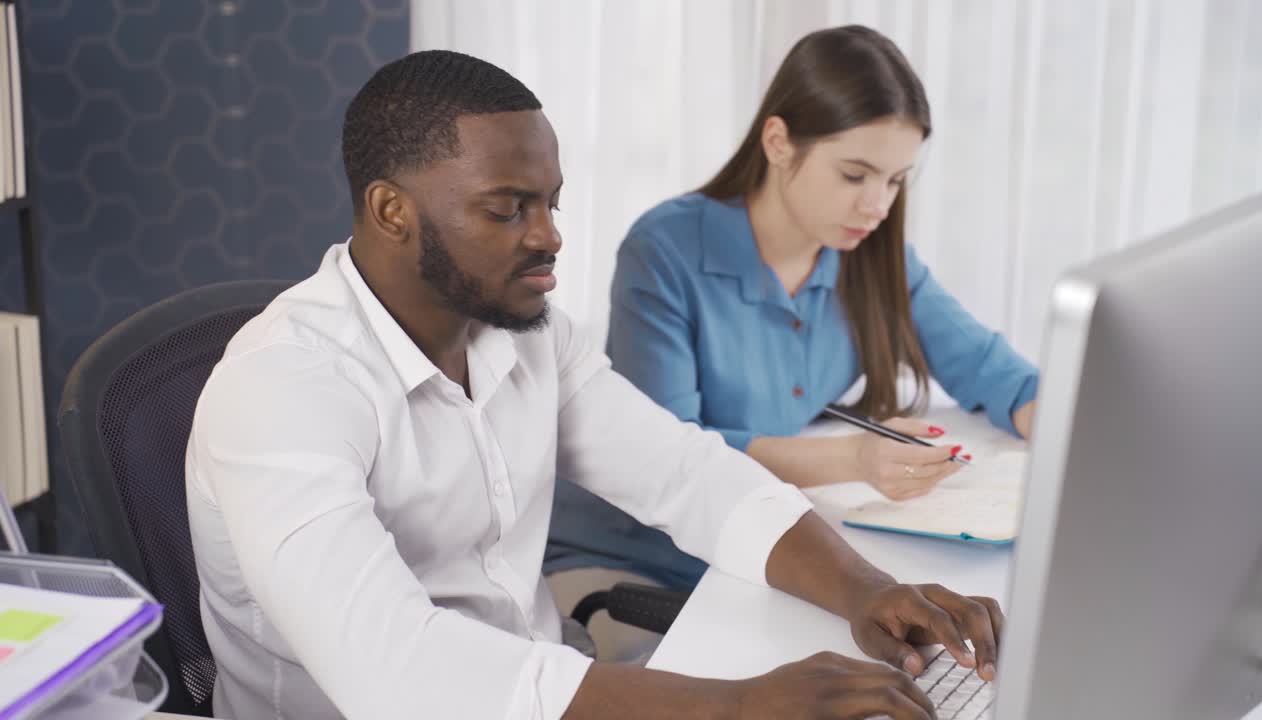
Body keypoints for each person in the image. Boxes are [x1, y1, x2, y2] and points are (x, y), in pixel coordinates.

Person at [186, 49, 1003, 720]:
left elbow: (687, 473)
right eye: (508, 210)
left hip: (543, 688)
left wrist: (869, 591)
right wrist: (740, 707)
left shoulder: (527, 332)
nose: (549, 237)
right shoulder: (282, 389)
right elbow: (398, 670)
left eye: (551, 203)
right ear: (392, 212)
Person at [547, 25, 1039, 603]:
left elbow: (994, 371)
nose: (877, 205)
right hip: (639, 555)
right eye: (855, 175)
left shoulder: (871, 254)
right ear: (778, 142)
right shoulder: (665, 251)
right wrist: (853, 457)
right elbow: (667, 457)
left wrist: (1071, 443)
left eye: (894, 181)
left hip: (756, 546)